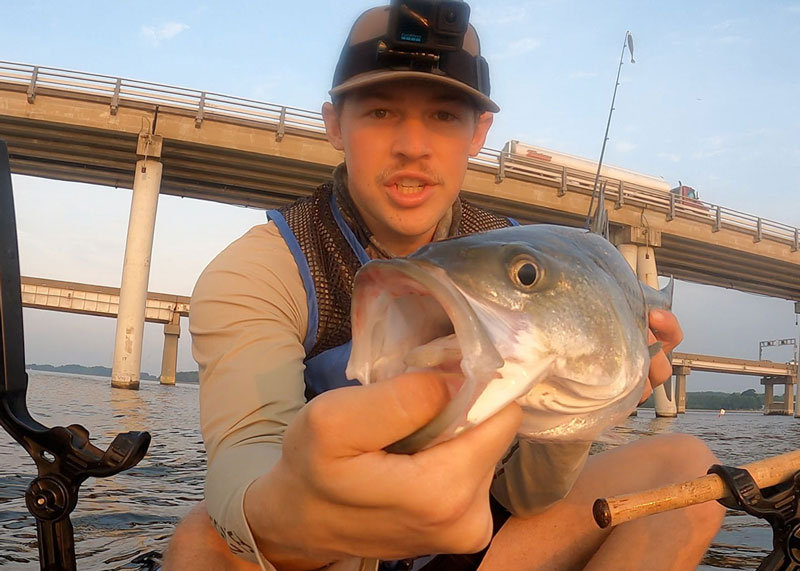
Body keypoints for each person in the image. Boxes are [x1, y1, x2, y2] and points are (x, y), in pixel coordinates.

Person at [165, 3, 724, 570]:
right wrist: (294, 511)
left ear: (479, 132)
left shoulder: (510, 247)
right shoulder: (261, 269)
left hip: (482, 543)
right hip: (330, 558)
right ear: (334, 124)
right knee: (204, 542)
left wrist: (586, 400)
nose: (413, 145)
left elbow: (524, 498)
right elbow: (244, 462)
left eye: (444, 116)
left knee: (687, 468)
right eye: (381, 111)